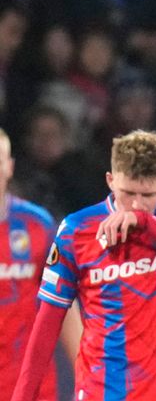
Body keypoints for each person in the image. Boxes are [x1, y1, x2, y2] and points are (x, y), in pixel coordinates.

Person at [12, 130, 156, 400]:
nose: (136, 205)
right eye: (128, 192)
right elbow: (46, 323)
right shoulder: (76, 230)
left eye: (148, 194)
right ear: (110, 181)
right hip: (101, 392)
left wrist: (149, 223)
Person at [0, 128, 81, 401]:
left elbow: (62, 301)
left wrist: (87, 375)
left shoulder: (38, 225)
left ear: (9, 167)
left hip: (29, 386)